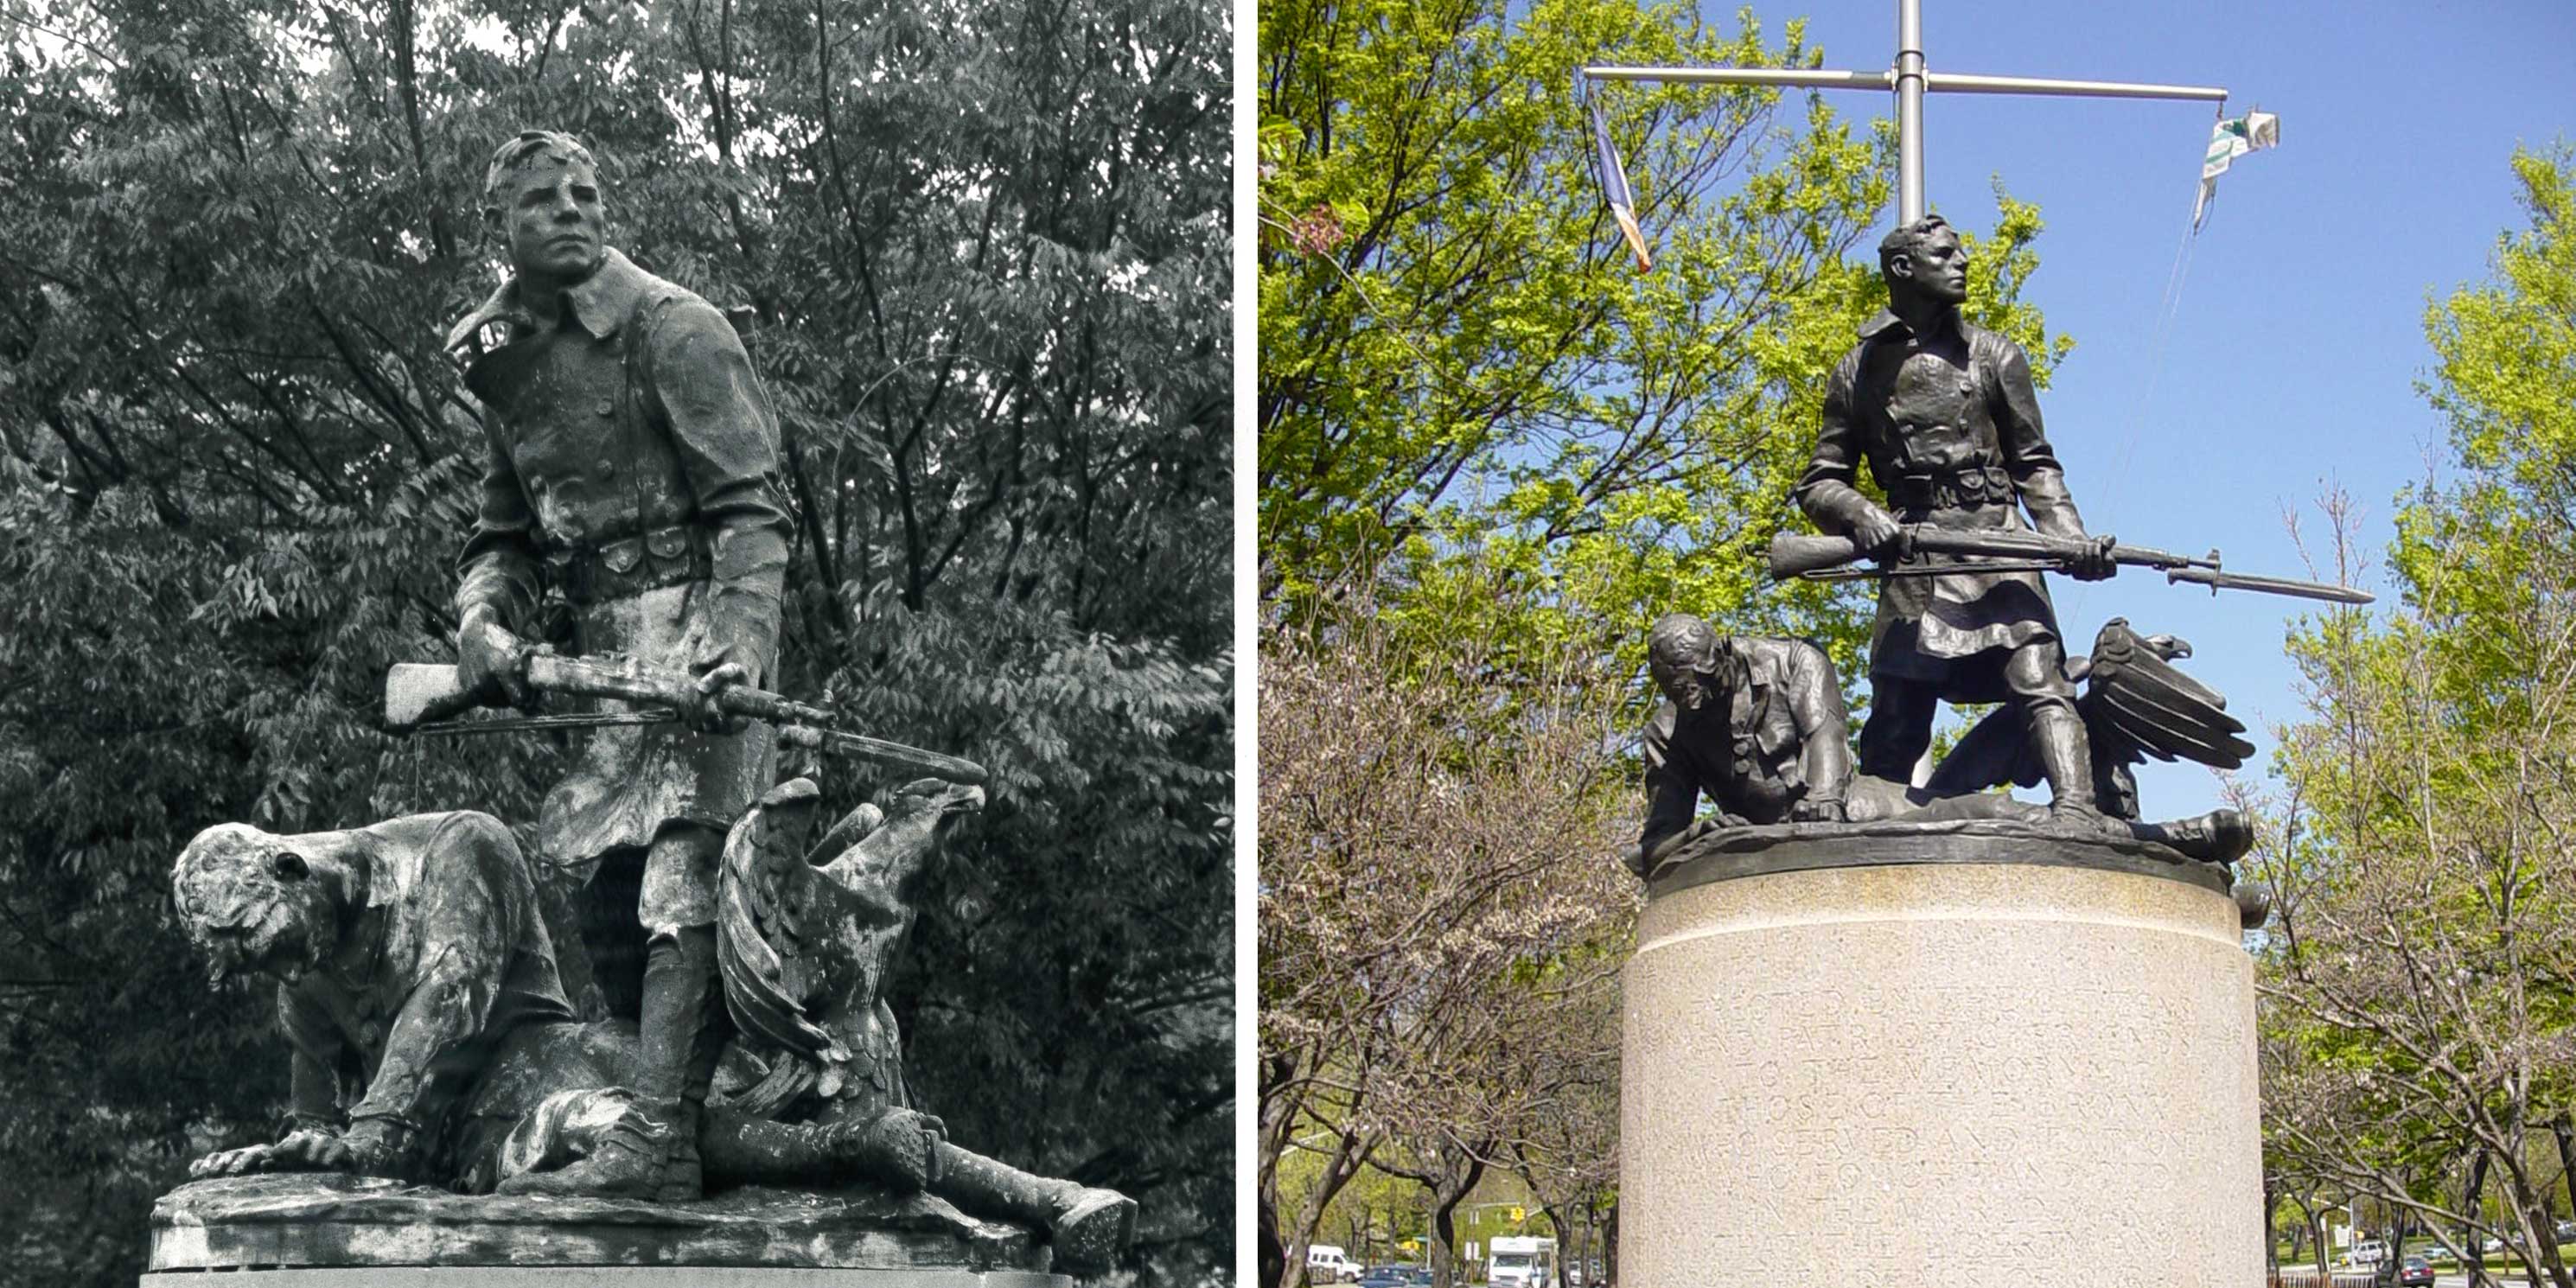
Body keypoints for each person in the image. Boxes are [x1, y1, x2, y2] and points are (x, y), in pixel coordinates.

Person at [443, 129, 791, 1202]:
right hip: (595, 665)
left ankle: (659, 1138)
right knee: (601, 898)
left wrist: (735, 644)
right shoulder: (503, 367)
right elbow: (500, 538)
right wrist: (482, 621)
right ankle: (668, 1108)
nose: (573, 210)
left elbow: (750, 513)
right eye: (544, 197)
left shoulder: (674, 328)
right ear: (501, 225)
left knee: (684, 881)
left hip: (698, 640)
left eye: (589, 193)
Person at [1795, 214, 2121, 826]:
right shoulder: (1858, 371)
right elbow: (1820, 481)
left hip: (1998, 544)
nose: (1962, 262)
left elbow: (2036, 467)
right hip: (1917, 555)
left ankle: (2077, 812)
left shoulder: (1997, 357)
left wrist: (2069, 541)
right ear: (1902, 270)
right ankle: (1865, 834)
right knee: (1898, 713)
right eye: (1944, 255)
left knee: (2039, 677)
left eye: (1960, 252)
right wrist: (1860, 514)